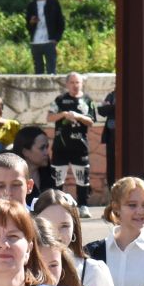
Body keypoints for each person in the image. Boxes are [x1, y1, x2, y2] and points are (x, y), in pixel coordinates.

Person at [33, 189, 116, 286]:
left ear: (74, 227)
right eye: (47, 225)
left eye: (64, 226)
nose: (56, 233)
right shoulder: (23, 267)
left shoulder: (93, 271)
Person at [47, 72, 98, 206]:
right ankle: (56, 205)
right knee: (57, 178)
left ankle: (83, 205)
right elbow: (49, 118)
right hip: (60, 146)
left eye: (78, 82)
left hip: (80, 146)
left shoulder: (87, 100)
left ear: (82, 84)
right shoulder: (60, 100)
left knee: (82, 178)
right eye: (72, 82)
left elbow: (91, 122)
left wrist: (78, 116)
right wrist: (64, 114)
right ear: (67, 84)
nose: (75, 85)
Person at [24, 0, 64, 75]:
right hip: (36, 42)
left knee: (51, 71)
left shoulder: (53, 3)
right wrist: (31, 22)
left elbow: (61, 22)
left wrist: (56, 39)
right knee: (38, 71)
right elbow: (28, 26)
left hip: (50, 41)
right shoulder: (31, 5)